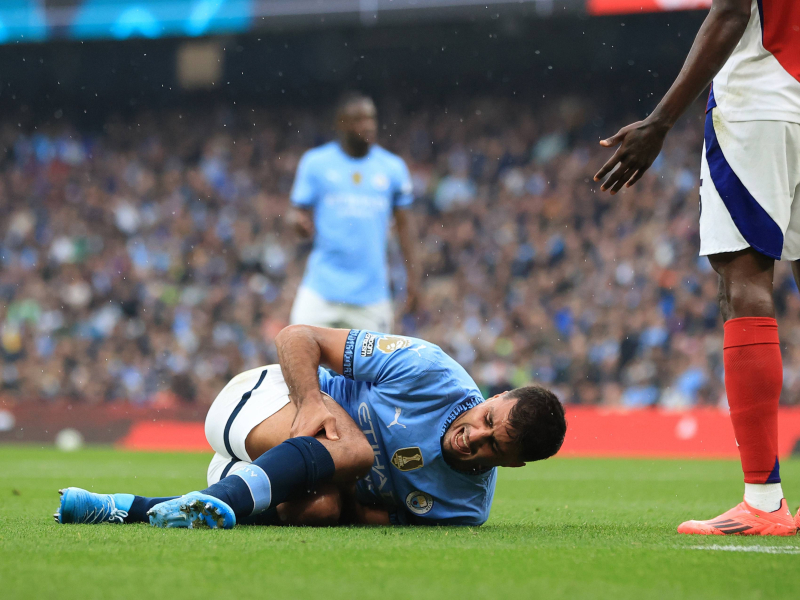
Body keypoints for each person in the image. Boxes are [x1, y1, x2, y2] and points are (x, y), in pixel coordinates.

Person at [594, 0, 800, 535]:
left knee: (745, 282)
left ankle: (763, 502)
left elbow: (732, 11)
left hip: (762, 103)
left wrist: (659, 122)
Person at [54, 326, 566, 528]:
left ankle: (123, 509)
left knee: (319, 511)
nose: (473, 436)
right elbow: (297, 337)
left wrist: (344, 501)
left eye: (492, 447)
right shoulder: (430, 370)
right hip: (261, 401)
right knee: (358, 454)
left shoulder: (464, 510)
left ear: (512, 463)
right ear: (493, 397)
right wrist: (312, 402)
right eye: (486, 420)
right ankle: (224, 498)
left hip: (269, 470)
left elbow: (364, 520)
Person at [288, 93, 420, 333]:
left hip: (371, 297)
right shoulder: (316, 163)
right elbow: (296, 212)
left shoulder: (392, 168)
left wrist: (414, 279)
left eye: (371, 118)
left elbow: (404, 227)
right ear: (341, 124)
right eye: (358, 119)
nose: (367, 125)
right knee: (296, 354)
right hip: (322, 290)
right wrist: (298, 223)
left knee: (374, 370)